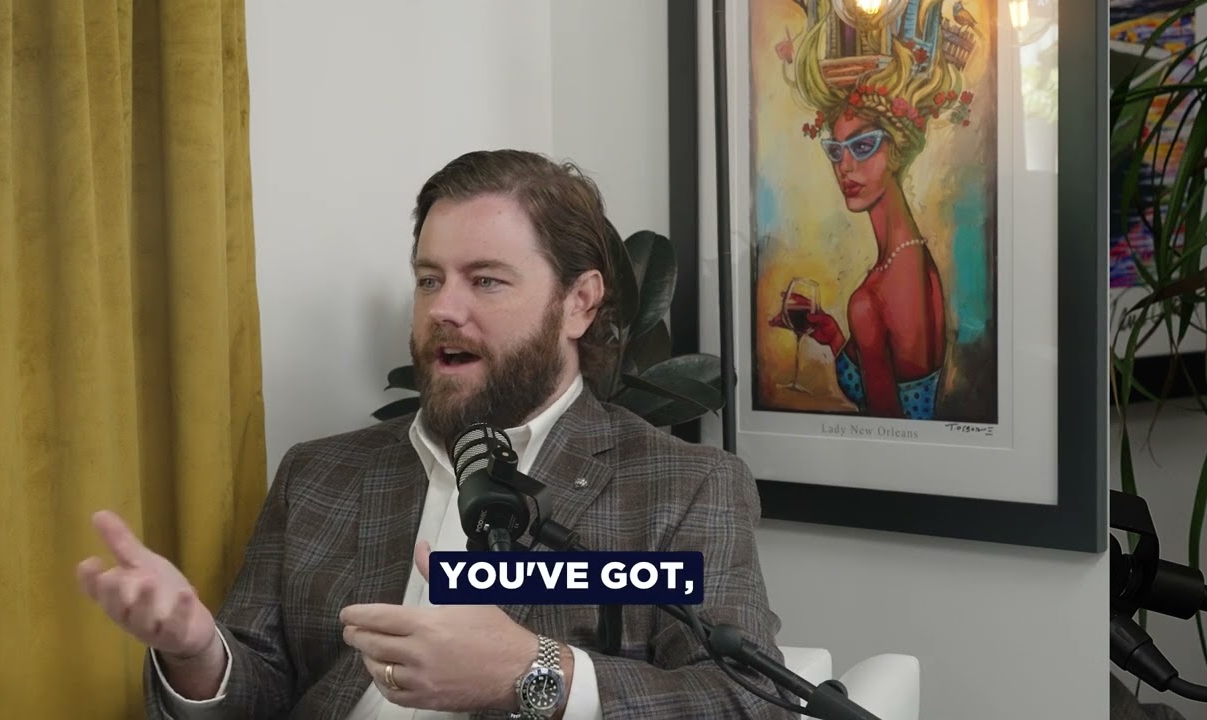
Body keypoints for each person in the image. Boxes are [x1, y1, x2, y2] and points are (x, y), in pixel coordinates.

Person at [77, 149, 794, 719]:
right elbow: (259, 687)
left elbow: (745, 702)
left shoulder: (683, 486)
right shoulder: (319, 475)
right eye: (428, 279)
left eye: (485, 281)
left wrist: (531, 674)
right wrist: (198, 653)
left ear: (578, 303)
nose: (443, 309)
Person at [772, 16, 979, 421]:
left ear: (897, 151)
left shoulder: (871, 299)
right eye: (836, 151)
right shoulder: (916, 260)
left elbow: (889, 432)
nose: (845, 167)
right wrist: (837, 340)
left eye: (863, 146)